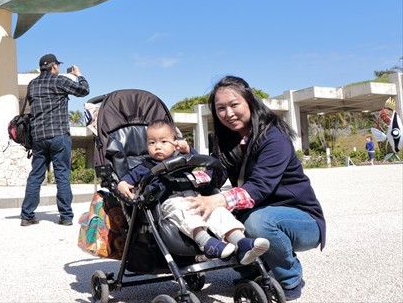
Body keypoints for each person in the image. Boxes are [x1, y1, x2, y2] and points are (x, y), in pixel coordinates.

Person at [186, 76, 326, 301]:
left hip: (300, 219)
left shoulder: (274, 137)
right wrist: (187, 167)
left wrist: (218, 201)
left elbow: (260, 187)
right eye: (220, 108)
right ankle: (253, 273)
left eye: (234, 105)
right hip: (258, 210)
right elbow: (215, 176)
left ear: (250, 101)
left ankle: (289, 278)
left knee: (256, 222)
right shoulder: (227, 140)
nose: (228, 113)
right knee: (214, 220)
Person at [117, 119, 269, 263]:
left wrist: (188, 149)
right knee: (182, 211)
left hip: (195, 198)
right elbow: (128, 178)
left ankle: (240, 241)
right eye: (152, 142)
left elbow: (199, 161)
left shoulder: (183, 159)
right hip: (167, 203)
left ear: (175, 142)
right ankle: (206, 242)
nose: (157, 146)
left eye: (163, 141)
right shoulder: (145, 165)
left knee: (218, 212)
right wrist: (122, 184)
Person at [20, 54, 90, 226]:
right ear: (53, 66)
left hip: (38, 137)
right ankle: (66, 216)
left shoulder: (32, 84)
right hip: (59, 136)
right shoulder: (59, 81)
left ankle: (27, 215)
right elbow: (84, 91)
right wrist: (79, 75)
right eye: (57, 65)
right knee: (62, 176)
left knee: (35, 176)